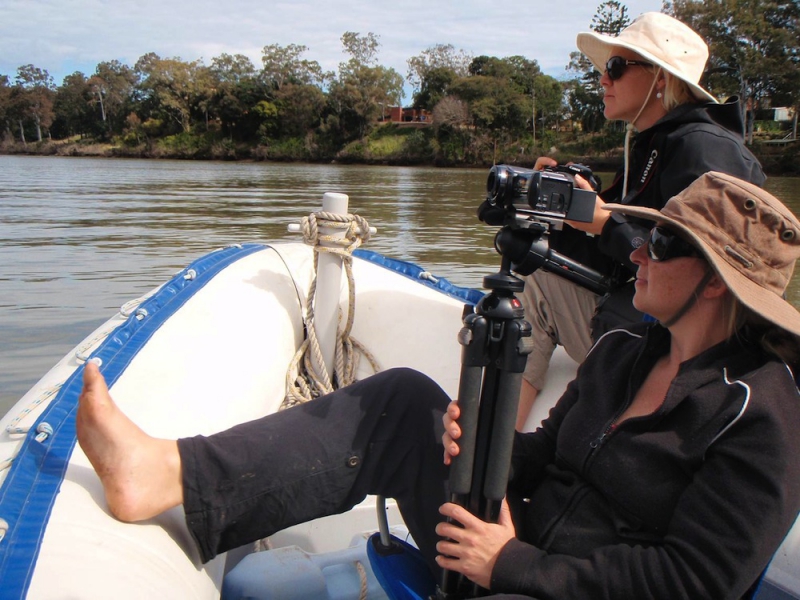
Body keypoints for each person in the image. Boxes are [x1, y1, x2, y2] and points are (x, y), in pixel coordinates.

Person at [78, 171, 800, 598]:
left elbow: (695, 582)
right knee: (404, 403)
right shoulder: (624, 351)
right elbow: (547, 453)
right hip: (509, 547)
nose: (637, 249)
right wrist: (489, 451)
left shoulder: (761, 418)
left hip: (552, 584)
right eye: (648, 231)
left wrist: (515, 565)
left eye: (664, 243)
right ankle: (166, 475)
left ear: (717, 284)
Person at [515, 12, 766, 430]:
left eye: (615, 67)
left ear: (661, 80)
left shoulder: (704, 151)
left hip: (678, 340)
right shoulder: (657, 145)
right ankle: (498, 447)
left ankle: (497, 451)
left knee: (539, 288)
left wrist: (603, 223)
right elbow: (635, 243)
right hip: (642, 316)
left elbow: (699, 267)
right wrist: (570, 208)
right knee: (538, 271)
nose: (603, 80)